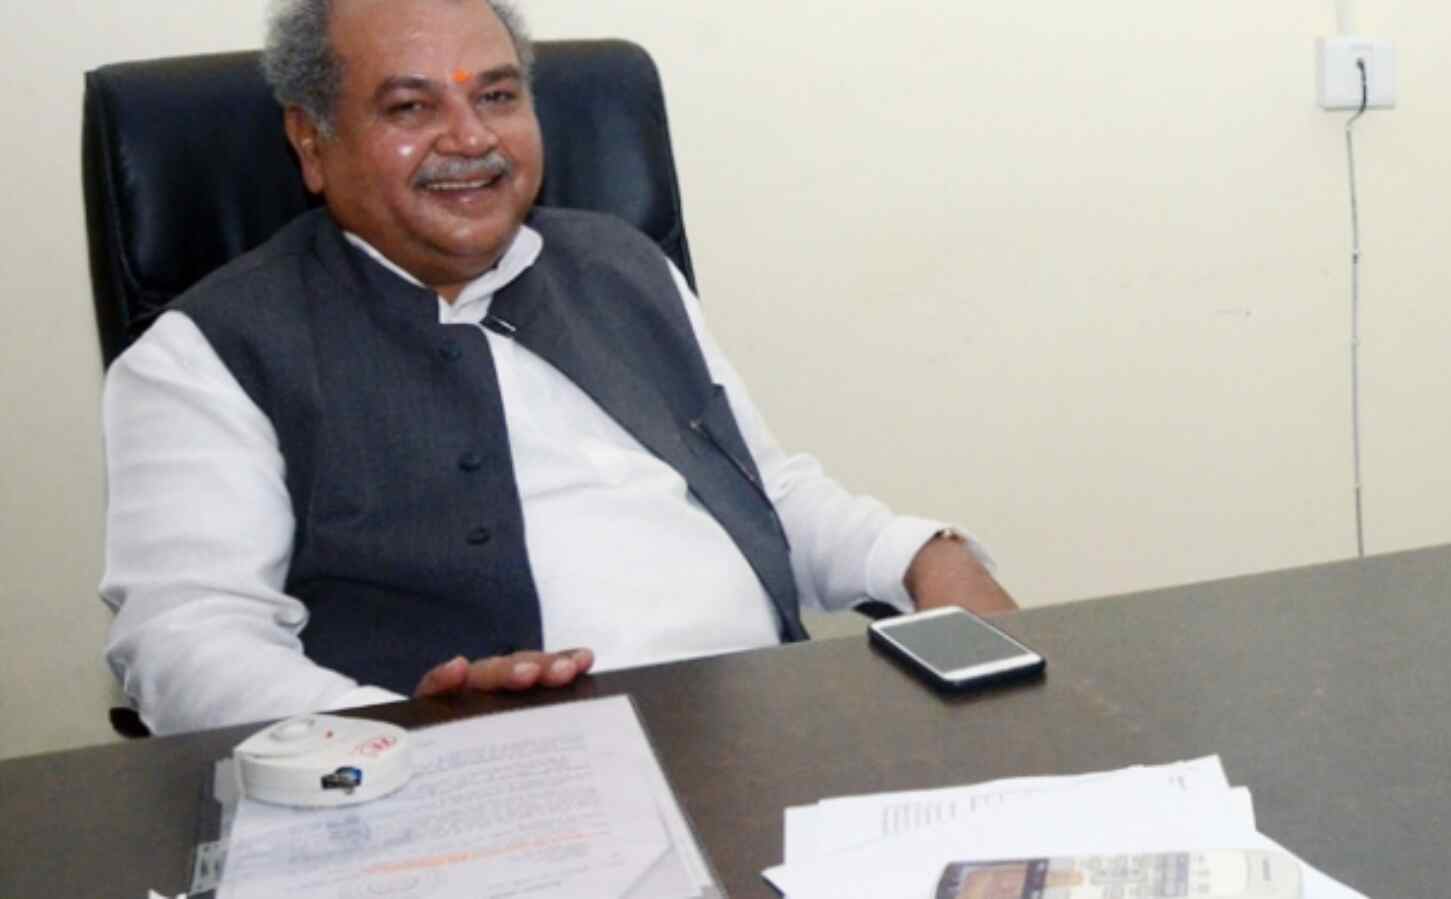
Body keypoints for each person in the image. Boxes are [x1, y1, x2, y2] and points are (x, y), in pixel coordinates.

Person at [99, 0, 1016, 735]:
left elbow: (763, 489)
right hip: (471, 816)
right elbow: (186, 642)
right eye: (412, 107)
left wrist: (921, 555)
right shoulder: (207, 353)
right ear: (311, 141)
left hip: (761, 734)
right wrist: (399, 733)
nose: (471, 138)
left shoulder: (624, 263)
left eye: (497, 96)